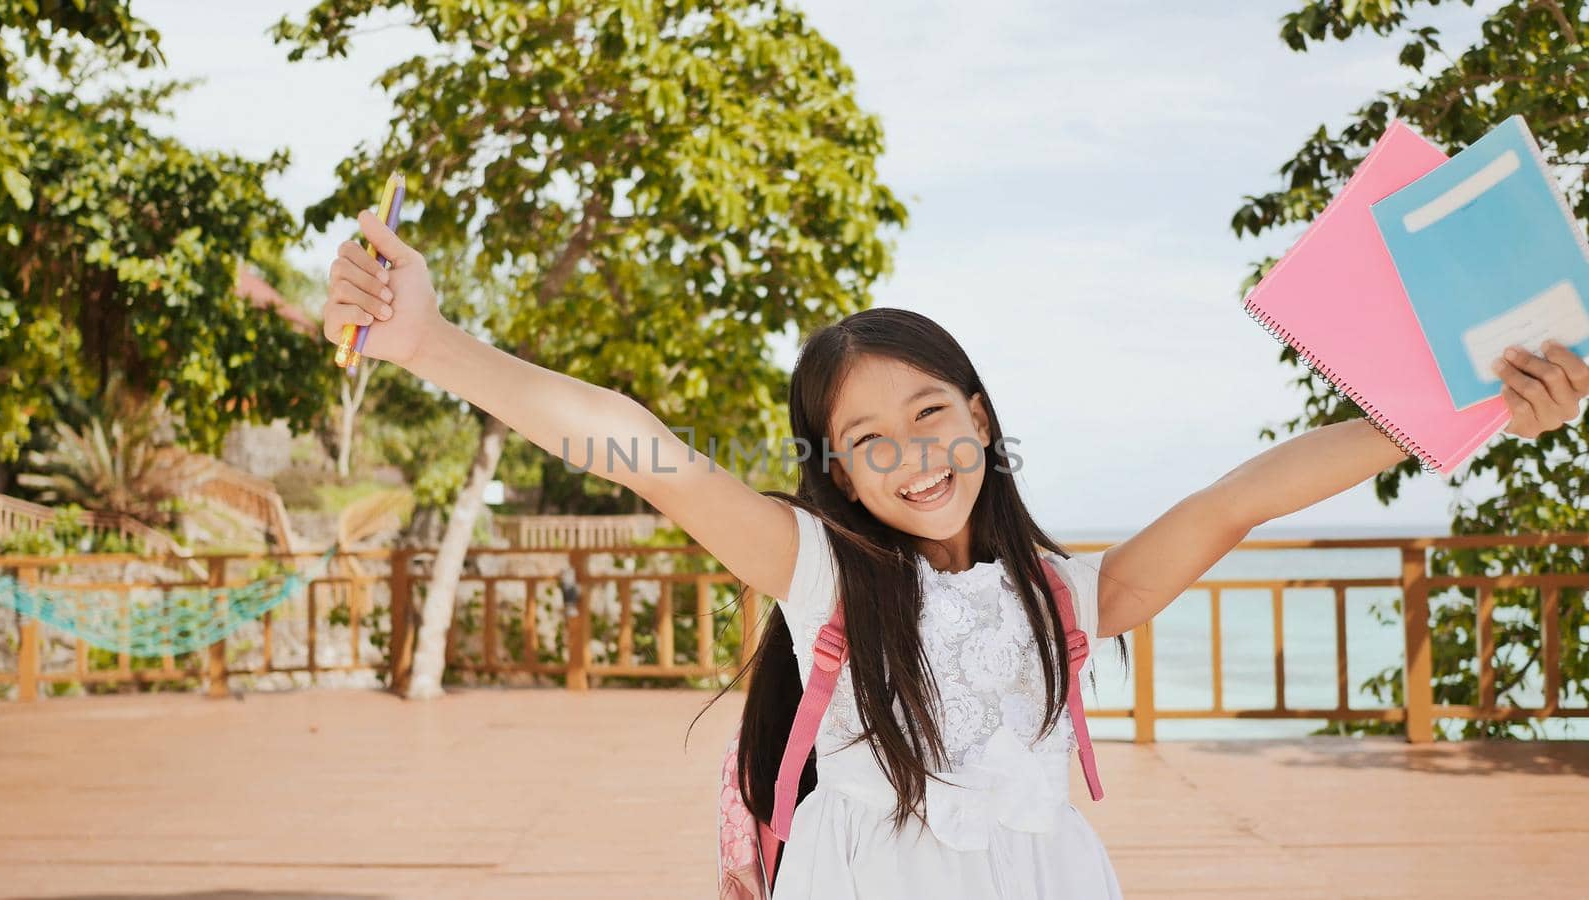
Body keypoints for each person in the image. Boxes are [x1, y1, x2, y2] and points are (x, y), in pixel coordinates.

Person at [325, 209, 1589, 898]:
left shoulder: (1063, 596)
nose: (912, 457)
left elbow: (1235, 499)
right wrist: (435, 347)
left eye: (932, 415)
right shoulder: (821, 577)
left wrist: (1456, 412)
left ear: (979, 416)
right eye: (865, 440)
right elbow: (637, 449)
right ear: (833, 470)